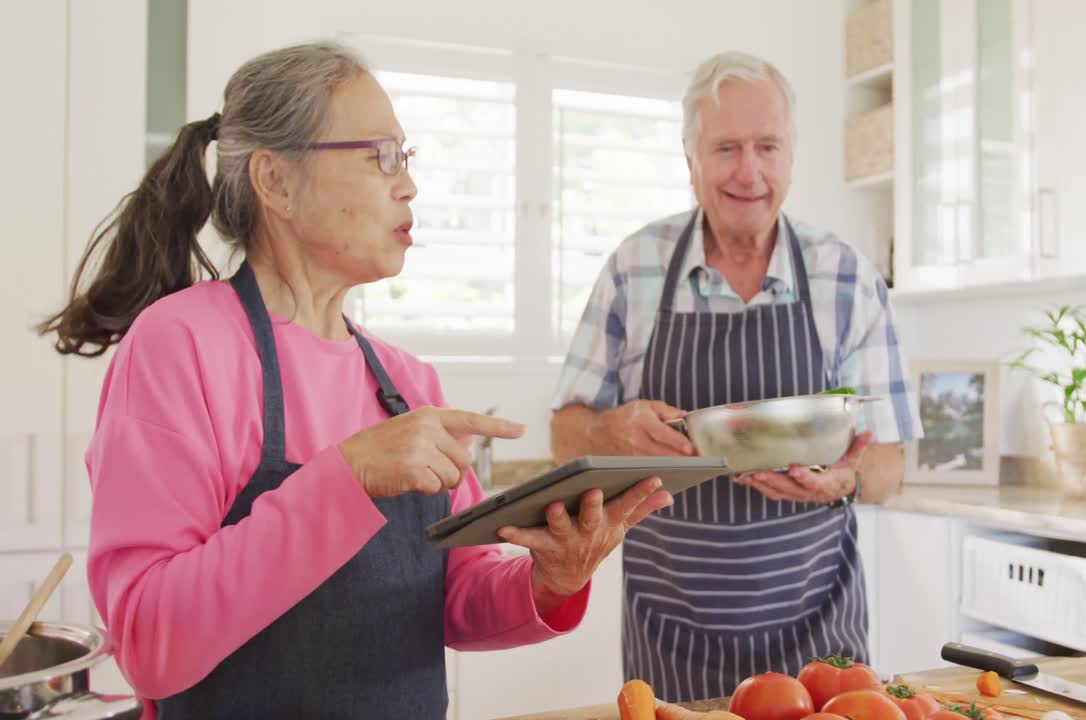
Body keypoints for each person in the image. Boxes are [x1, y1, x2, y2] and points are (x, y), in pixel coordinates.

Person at [39, 41, 672, 720]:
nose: (408, 185)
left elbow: (456, 599)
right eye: (382, 156)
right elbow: (148, 642)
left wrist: (550, 579)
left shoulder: (407, 381)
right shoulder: (180, 346)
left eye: (407, 158)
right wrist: (348, 477)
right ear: (276, 181)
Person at [550, 51, 922, 701]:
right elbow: (563, 436)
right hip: (670, 639)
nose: (748, 172)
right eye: (726, 148)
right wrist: (609, 429)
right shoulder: (633, 268)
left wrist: (843, 480)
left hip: (822, 640)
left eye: (767, 146)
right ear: (691, 157)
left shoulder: (847, 278)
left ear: (791, 157)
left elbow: (889, 463)